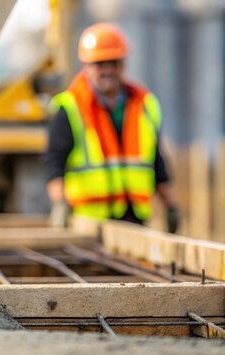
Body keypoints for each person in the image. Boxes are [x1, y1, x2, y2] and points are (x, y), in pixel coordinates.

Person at [44, 23, 180, 233]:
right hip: (90, 224)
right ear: (87, 67)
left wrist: (170, 205)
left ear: (122, 65)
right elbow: (54, 162)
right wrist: (59, 203)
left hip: (135, 219)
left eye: (113, 63)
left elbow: (155, 161)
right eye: (100, 64)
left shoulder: (144, 105)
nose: (107, 70)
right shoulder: (71, 107)